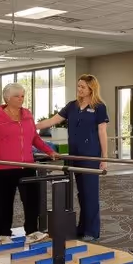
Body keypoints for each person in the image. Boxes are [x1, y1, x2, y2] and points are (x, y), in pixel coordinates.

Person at [0, 83, 57, 245]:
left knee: (31, 200)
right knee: (5, 201)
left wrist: (49, 151)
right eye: (17, 96)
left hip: (27, 165)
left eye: (22, 96)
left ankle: (32, 232)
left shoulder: (27, 114)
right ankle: (4, 234)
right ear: (7, 98)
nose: (21, 99)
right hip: (2, 167)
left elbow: (34, 138)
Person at [38, 74, 109, 242]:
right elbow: (53, 120)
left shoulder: (99, 107)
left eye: (83, 87)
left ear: (92, 88)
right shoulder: (72, 106)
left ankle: (92, 231)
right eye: (78, 86)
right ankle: (82, 227)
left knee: (90, 193)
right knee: (81, 192)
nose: (79, 90)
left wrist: (104, 157)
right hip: (74, 154)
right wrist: (30, 126)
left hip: (90, 155)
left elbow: (102, 132)